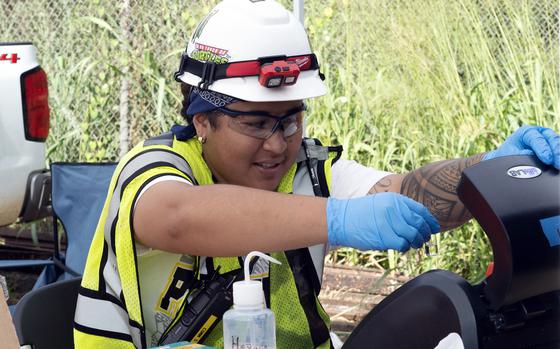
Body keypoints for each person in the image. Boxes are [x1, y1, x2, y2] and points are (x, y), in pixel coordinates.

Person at [73, 1, 560, 348]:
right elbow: (175, 217)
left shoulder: (307, 170)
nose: (278, 142)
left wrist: (495, 171)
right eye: (257, 122)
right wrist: (338, 218)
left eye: (290, 118)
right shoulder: (157, 167)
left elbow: (407, 192)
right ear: (203, 119)